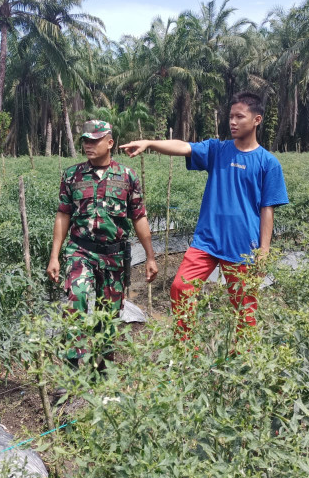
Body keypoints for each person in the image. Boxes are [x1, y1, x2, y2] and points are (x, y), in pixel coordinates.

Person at [120, 91, 288, 337]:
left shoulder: (268, 163)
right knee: (180, 288)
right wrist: (149, 143)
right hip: (207, 241)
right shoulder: (217, 150)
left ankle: (243, 361)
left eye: (239, 117)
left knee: (244, 309)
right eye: (230, 116)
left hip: (243, 246)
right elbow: (183, 146)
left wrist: (263, 251)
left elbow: (267, 209)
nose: (232, 122)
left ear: (257, 120)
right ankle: (188, 349)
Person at [47, 120, 158, 373]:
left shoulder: (127, 177)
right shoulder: (72, 175)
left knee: (108, 314)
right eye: (85, 140)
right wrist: (54, 256)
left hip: (114, 255)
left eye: (94, 140)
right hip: (80, 250)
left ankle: (102, 369)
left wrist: (150, 257)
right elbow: (63, 215)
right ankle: (73, 369)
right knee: (77, 298)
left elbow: (139, 217)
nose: (88, 145)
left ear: (110, 143)